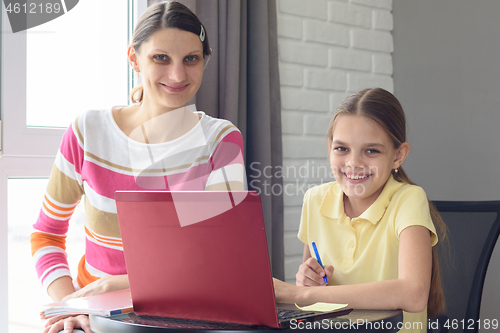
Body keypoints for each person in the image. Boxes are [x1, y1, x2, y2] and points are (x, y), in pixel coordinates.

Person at [31, 2, 246, 333]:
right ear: (134, 59)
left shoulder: (221, 141)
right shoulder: (88, 132)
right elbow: (46, 234)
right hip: (95, 320)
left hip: (180, 318)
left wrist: (120, 288)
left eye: (191, 59)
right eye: (161, 58)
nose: (178, 75)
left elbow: (217, 264)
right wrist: (70, 307)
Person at [273, 88, 446, 333]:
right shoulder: (315, 200)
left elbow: (413, 294)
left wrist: (301, 293)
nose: (353, 163)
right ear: (329, 148)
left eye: (371, 150)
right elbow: (312, 292)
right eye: (342, 149)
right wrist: (309, 282)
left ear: (398, 155)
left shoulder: (408, 199)